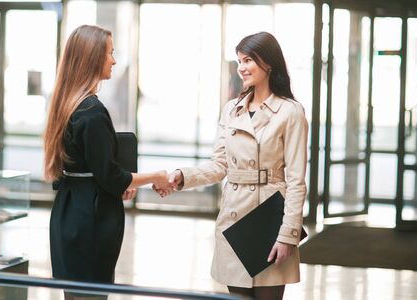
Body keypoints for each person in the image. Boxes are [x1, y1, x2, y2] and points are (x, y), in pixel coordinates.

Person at [160, 32, 308, 300]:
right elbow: (219, 164)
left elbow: (297, 180)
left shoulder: (290, 112)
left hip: (269, 222)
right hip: (234, 219)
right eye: (239, 60)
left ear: (269, 63)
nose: (241, 67)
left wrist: (288, 234)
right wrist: (183, 176)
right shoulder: (231, 109)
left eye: (248, 60)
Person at [43, 25, 172, 296]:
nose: (114, 60)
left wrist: (115, 184)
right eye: (109, 53)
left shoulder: (69, 104)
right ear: (92, 57)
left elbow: (95, 170)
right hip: (90, 219)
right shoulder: (92, 111)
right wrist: (157, 176)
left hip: (69, 212)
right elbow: (111, 176)